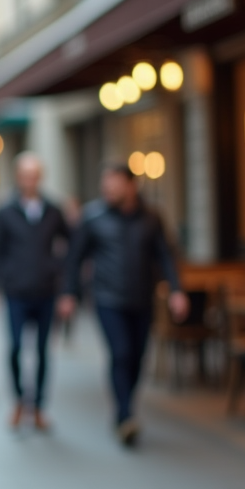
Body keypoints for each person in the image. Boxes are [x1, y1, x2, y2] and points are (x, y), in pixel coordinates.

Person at [57, 164, 187, 447]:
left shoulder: (151, 218)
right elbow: (75, 258)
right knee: (121, 352)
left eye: (114, 185)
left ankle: (126, 407)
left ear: (131, 186)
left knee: (138, 357)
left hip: (142, 298)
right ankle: (125, 414)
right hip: (107, 299)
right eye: (105, 186)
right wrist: (68, 294)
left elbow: (165, 255)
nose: (108, 191)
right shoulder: (93, 217)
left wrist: (176, 290)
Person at [0, 152, 69, 430]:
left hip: (46, 291)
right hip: (16, 292)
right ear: (18, 177)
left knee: (44, 351)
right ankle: (19, 402)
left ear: (40, 177)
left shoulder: (53, 209)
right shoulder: (6, 210)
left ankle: (39, 407)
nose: (29, 181)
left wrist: (58, 273)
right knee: (14, 348)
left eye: (34, 175)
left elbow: (70, 245)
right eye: (25, 175)